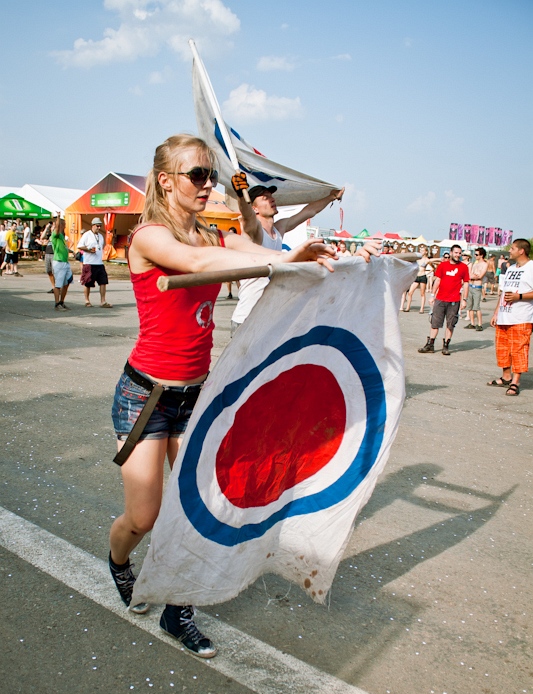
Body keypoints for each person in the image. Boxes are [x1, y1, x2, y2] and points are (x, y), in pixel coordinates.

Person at [108, 133, 366, 658]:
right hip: (146, 399)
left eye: (211, 176)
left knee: (204, 508)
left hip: (196, 398)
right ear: (166, 181)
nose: (208, 185)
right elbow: (199, 265)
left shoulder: (212, 234)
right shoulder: (149, 237)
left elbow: (258, 251)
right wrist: (272, 260)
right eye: (197, 175)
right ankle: (118, 563)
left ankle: (179, 611)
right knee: (144, 517)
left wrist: (296, 255)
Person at [229, 173, 344, 331]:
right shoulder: (255, 230)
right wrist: (241, 196)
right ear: (254, 208)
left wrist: (331, 197)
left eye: (271, 196)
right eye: (265, 198)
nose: (272, 199)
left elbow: (309, 211)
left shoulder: (279, 229)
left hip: (269, 316)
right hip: (247, 317)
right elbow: (248, 217)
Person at [487, 238, 533, 396]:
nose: (509, 251)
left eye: (512, 248)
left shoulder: (531, 267)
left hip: (521, 317)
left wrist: (518, 297)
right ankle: (506, 376)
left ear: (521, 250)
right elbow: (503, 292)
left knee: (519, 349)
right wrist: (496, 312)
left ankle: (515, 381)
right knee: (503, 349)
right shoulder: (511, 268)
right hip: (504, 316)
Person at [418, 244, 469, 355]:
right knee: (435, 322)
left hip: (454, 300)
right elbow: (437, 281)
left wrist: (464, 299)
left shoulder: (463, 267)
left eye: (460, 253)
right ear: (451, 253)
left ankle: (446, 345)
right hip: (440, 298)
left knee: (450, 324)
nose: (458, 255)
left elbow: (466, 284)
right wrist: (432, 295)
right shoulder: (443, 265)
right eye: (456, 253)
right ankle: (430, 344)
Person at [77, 218, 112, 307]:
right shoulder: (87, 235)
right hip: (89, 262)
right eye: (97, 226)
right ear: (93, 225)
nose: (99, 227)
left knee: (103, 281)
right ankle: (87, 300)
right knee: (88, 282)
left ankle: (103, 301)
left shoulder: (100, 236)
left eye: (100, 226)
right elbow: (80, 246)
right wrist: (88, 250)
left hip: (99, 263)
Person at [401, 244, 439, 313]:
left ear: (426, 252)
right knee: (410, 292)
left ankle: (422, 309)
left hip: (422, 276)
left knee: (422, 293)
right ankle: (407, 307)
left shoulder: (426, 260)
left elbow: (433, 263)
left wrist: (427, 272)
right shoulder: (417, 259)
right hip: (416, 277)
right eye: (420, 250)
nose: (421, 251)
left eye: (422, 250)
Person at [50, 217, 73, 310]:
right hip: (58, 262)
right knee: (58, 284)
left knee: (67, 282)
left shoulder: (62, 236)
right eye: (64, 224)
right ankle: (56, 304)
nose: (65, 226)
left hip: (65, 262)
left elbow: (64, 247)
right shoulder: (55, 235)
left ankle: (62, 301)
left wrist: (71, 251)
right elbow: (57, 227)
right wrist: (58, 217)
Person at [465, 247, 488, 330]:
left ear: (481, 255)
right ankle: (472, 323)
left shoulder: (485, 264)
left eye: (477, 254)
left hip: (477, 287)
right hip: (471, 286)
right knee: (470, 306)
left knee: (477, 307)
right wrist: (473, 276)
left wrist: (473, 276)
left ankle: (479, 324)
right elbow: (470, 274)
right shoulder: (475, 263)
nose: (475, 256)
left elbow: (480, 276)